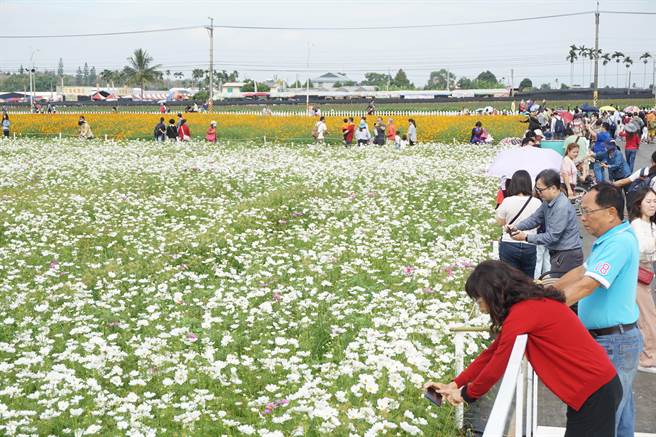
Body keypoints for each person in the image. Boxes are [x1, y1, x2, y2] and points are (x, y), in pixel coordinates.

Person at [425, 261, 621, 436]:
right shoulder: (528, 305)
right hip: (595, 388)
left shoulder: (523, 313)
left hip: (595, 392)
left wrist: (467, 393)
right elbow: (492, 352)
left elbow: (497, 364)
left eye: (478, 299)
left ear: (491, 293)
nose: (480, 306)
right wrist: (455, 384)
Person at [555, 182, 642, 437]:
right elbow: (582, 271)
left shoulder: (618, 243)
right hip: (612, 340)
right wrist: (545, 292)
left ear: (610, 212)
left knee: (605, 417)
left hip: (614, 342)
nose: (583, 219)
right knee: (620, 411)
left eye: (587, 211)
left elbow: (587, 285)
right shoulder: (609, 239)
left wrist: (543, 310)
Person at [508, 169, 583, 277]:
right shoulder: (547, 202)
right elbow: (535, 219)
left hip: (567, 255)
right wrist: (516, 227)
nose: (538, 193)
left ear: (553, 188)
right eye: (537, 189)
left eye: (540, 190)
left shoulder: (561, 206)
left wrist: (525, 237)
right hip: (558, 254)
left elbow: (552, 236)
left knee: (562, 290)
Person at [628, 188, 656, 374]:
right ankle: (647, 359)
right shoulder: (636, 225)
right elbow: (641, 250)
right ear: (639, 204)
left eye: (654, 201)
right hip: (637, 273)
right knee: (648, 317)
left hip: (646, 272)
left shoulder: (651, 225)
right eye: (649, 201)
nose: (653, 205)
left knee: (646, 315)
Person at [496, 170, 542, 277]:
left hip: (509, 243)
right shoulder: (536, 202)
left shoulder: (507, 201)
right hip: (529, 243)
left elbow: (500, 222)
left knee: (509, 279)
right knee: (527, 280)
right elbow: (539, 224)